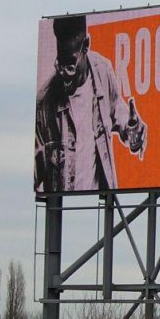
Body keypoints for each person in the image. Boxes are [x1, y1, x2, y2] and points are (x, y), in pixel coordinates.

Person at [35, 14, 147, 193]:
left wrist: (132, 127)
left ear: (86, 45)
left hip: (101, 198)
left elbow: (119, 112)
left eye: (70, 66)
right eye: (59, 64)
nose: (64, 73)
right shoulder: (44, 103)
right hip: (63, 205)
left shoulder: (103, 71)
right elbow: (35, 170)